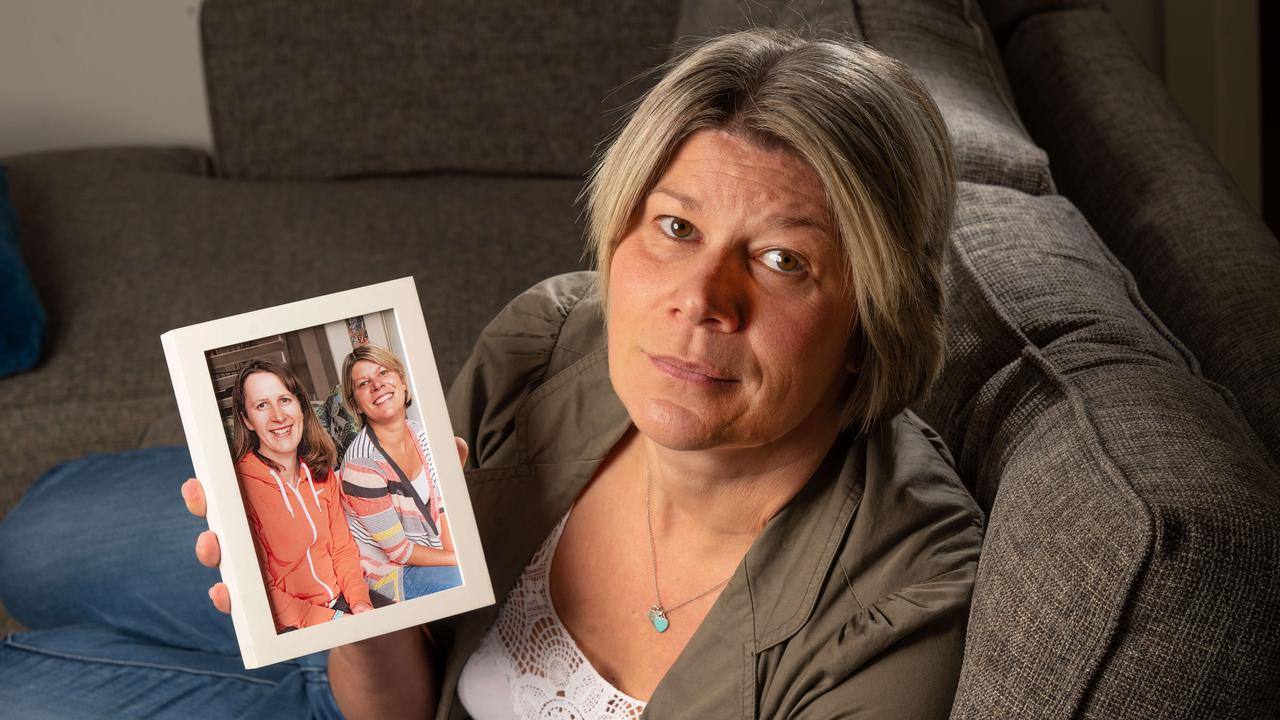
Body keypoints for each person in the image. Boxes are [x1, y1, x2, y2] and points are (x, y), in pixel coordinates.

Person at [0, 27, 981, 719]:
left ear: (873, 314)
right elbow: (399, 667)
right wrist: (364, 623)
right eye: (674, 228)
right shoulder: (557, 335)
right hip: (390, 682)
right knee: (32, 538)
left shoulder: (896, 605)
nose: (699, 299)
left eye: (781, 261)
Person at [230, 359, 375, 630]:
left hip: (343, 604)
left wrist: (360, 603)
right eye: (262, 405)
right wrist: (335, 621)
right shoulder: (239, 489)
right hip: (291, 625)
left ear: (300, 406)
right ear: (247, 420)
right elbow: (263, 590)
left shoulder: (322, 474)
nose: (278, 416)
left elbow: (343, 550)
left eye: (284, 400)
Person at [337, 344, 461, 604]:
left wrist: (460, 551)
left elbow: (442, 510)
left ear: (402, 383)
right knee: (463, 579)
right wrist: (459, 558)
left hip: (429, 550)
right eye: (363, 383)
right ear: (356, 406)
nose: (377, 385)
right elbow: (399, 552)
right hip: (389, 573)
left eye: (383, 373)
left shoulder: (422, 435)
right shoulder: (362, 464)